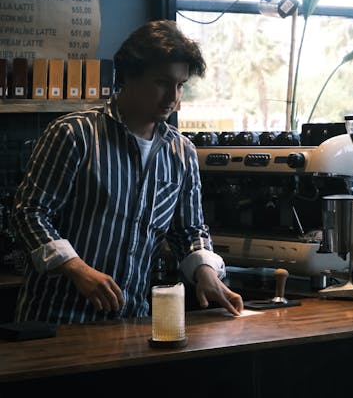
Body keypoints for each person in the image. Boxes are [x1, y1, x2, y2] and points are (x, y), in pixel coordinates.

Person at [13, 20, 243, 323]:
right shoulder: (75, 134)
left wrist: (206, 272)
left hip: (132, 319)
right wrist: (76, 268)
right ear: (130, 76)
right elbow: (29, 213)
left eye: (180, 85)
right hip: (57, 319)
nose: (173, 97)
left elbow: (190, 231)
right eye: (162, 82)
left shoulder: (181, 152)